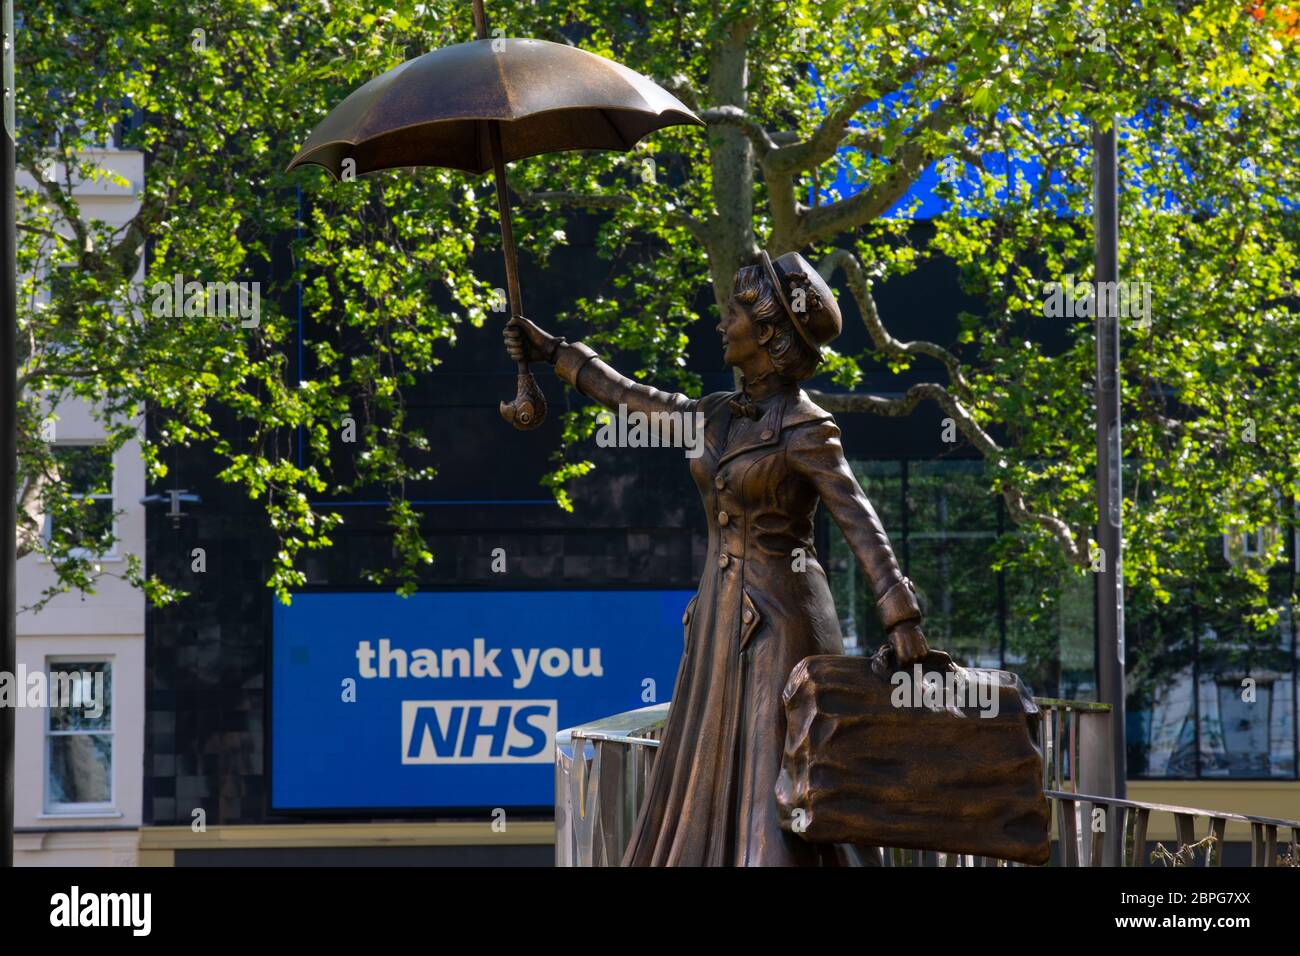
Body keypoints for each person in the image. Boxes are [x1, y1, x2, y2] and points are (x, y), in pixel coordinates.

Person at [504, 251, 929, 866]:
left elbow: (859, 518)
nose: (722, 323)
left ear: (769, 333)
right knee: (706, 778)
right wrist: (555, 354)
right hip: (718, 623)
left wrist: (901, 616)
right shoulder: (713, 416)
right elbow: (629, 398)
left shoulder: (809, 430)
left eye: (734, 312)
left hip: (783, 625)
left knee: (774, 779)